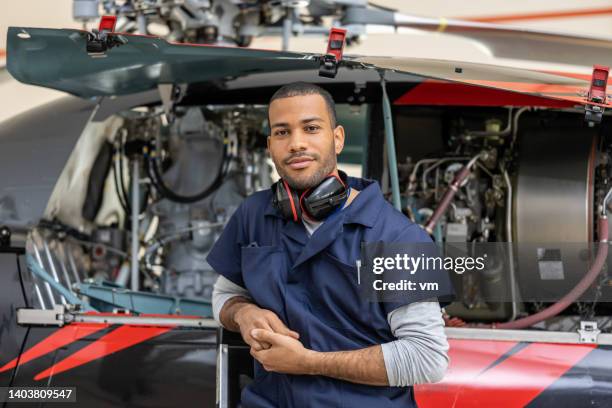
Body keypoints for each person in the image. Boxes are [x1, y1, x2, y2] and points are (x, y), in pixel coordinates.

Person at [207, 82, 451, 407]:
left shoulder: (398, 238)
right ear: (269, 145)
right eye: (282, 132)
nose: (296, 144)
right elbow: (224, 294)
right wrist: (244, 314)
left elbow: (427, 357)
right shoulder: (254, 214)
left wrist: (307, 362)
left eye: (311, 128)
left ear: (337, 138)